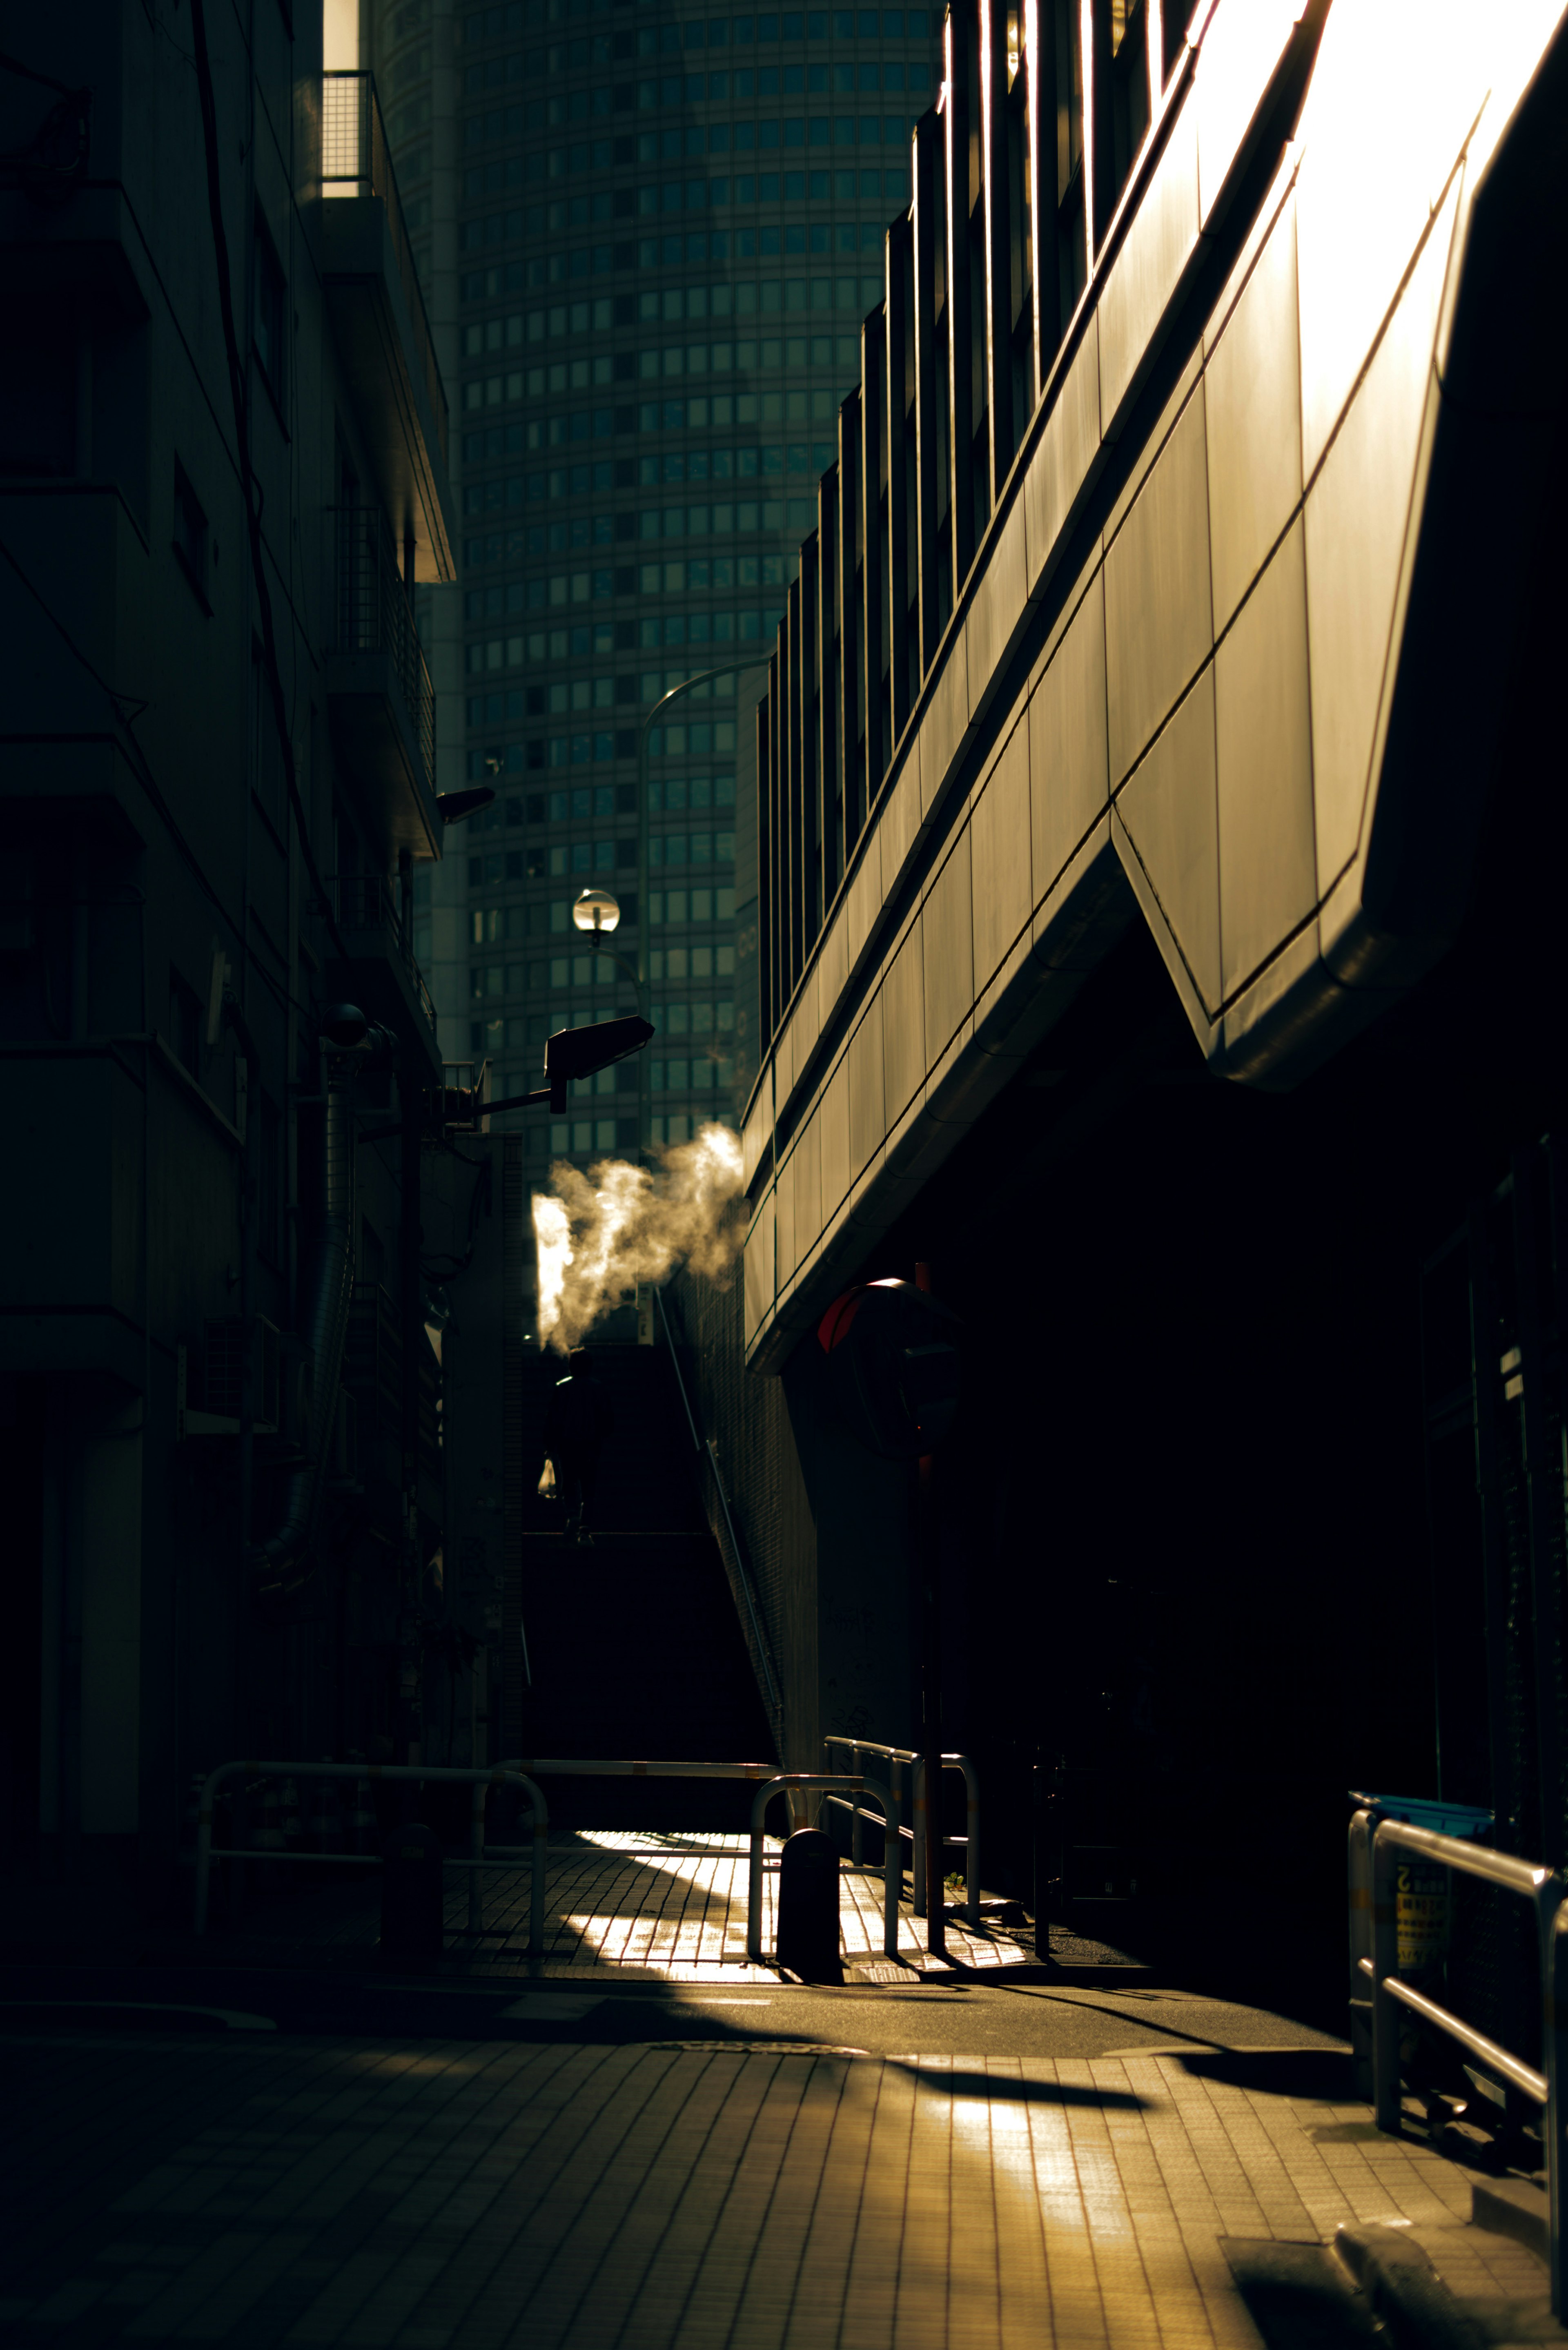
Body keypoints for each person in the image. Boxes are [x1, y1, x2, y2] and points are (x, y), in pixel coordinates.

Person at [543, 1345, 615, 1546]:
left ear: (571, 1367)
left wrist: (550, 1444)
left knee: (569, 1481)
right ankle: (585, 1530)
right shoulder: (599, 1388)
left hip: (567, 1444)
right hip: (591, 1445)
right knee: (589, 1485)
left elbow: (552, 1419)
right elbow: (608, 1419)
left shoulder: (562, 1388)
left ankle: (573, 1515)